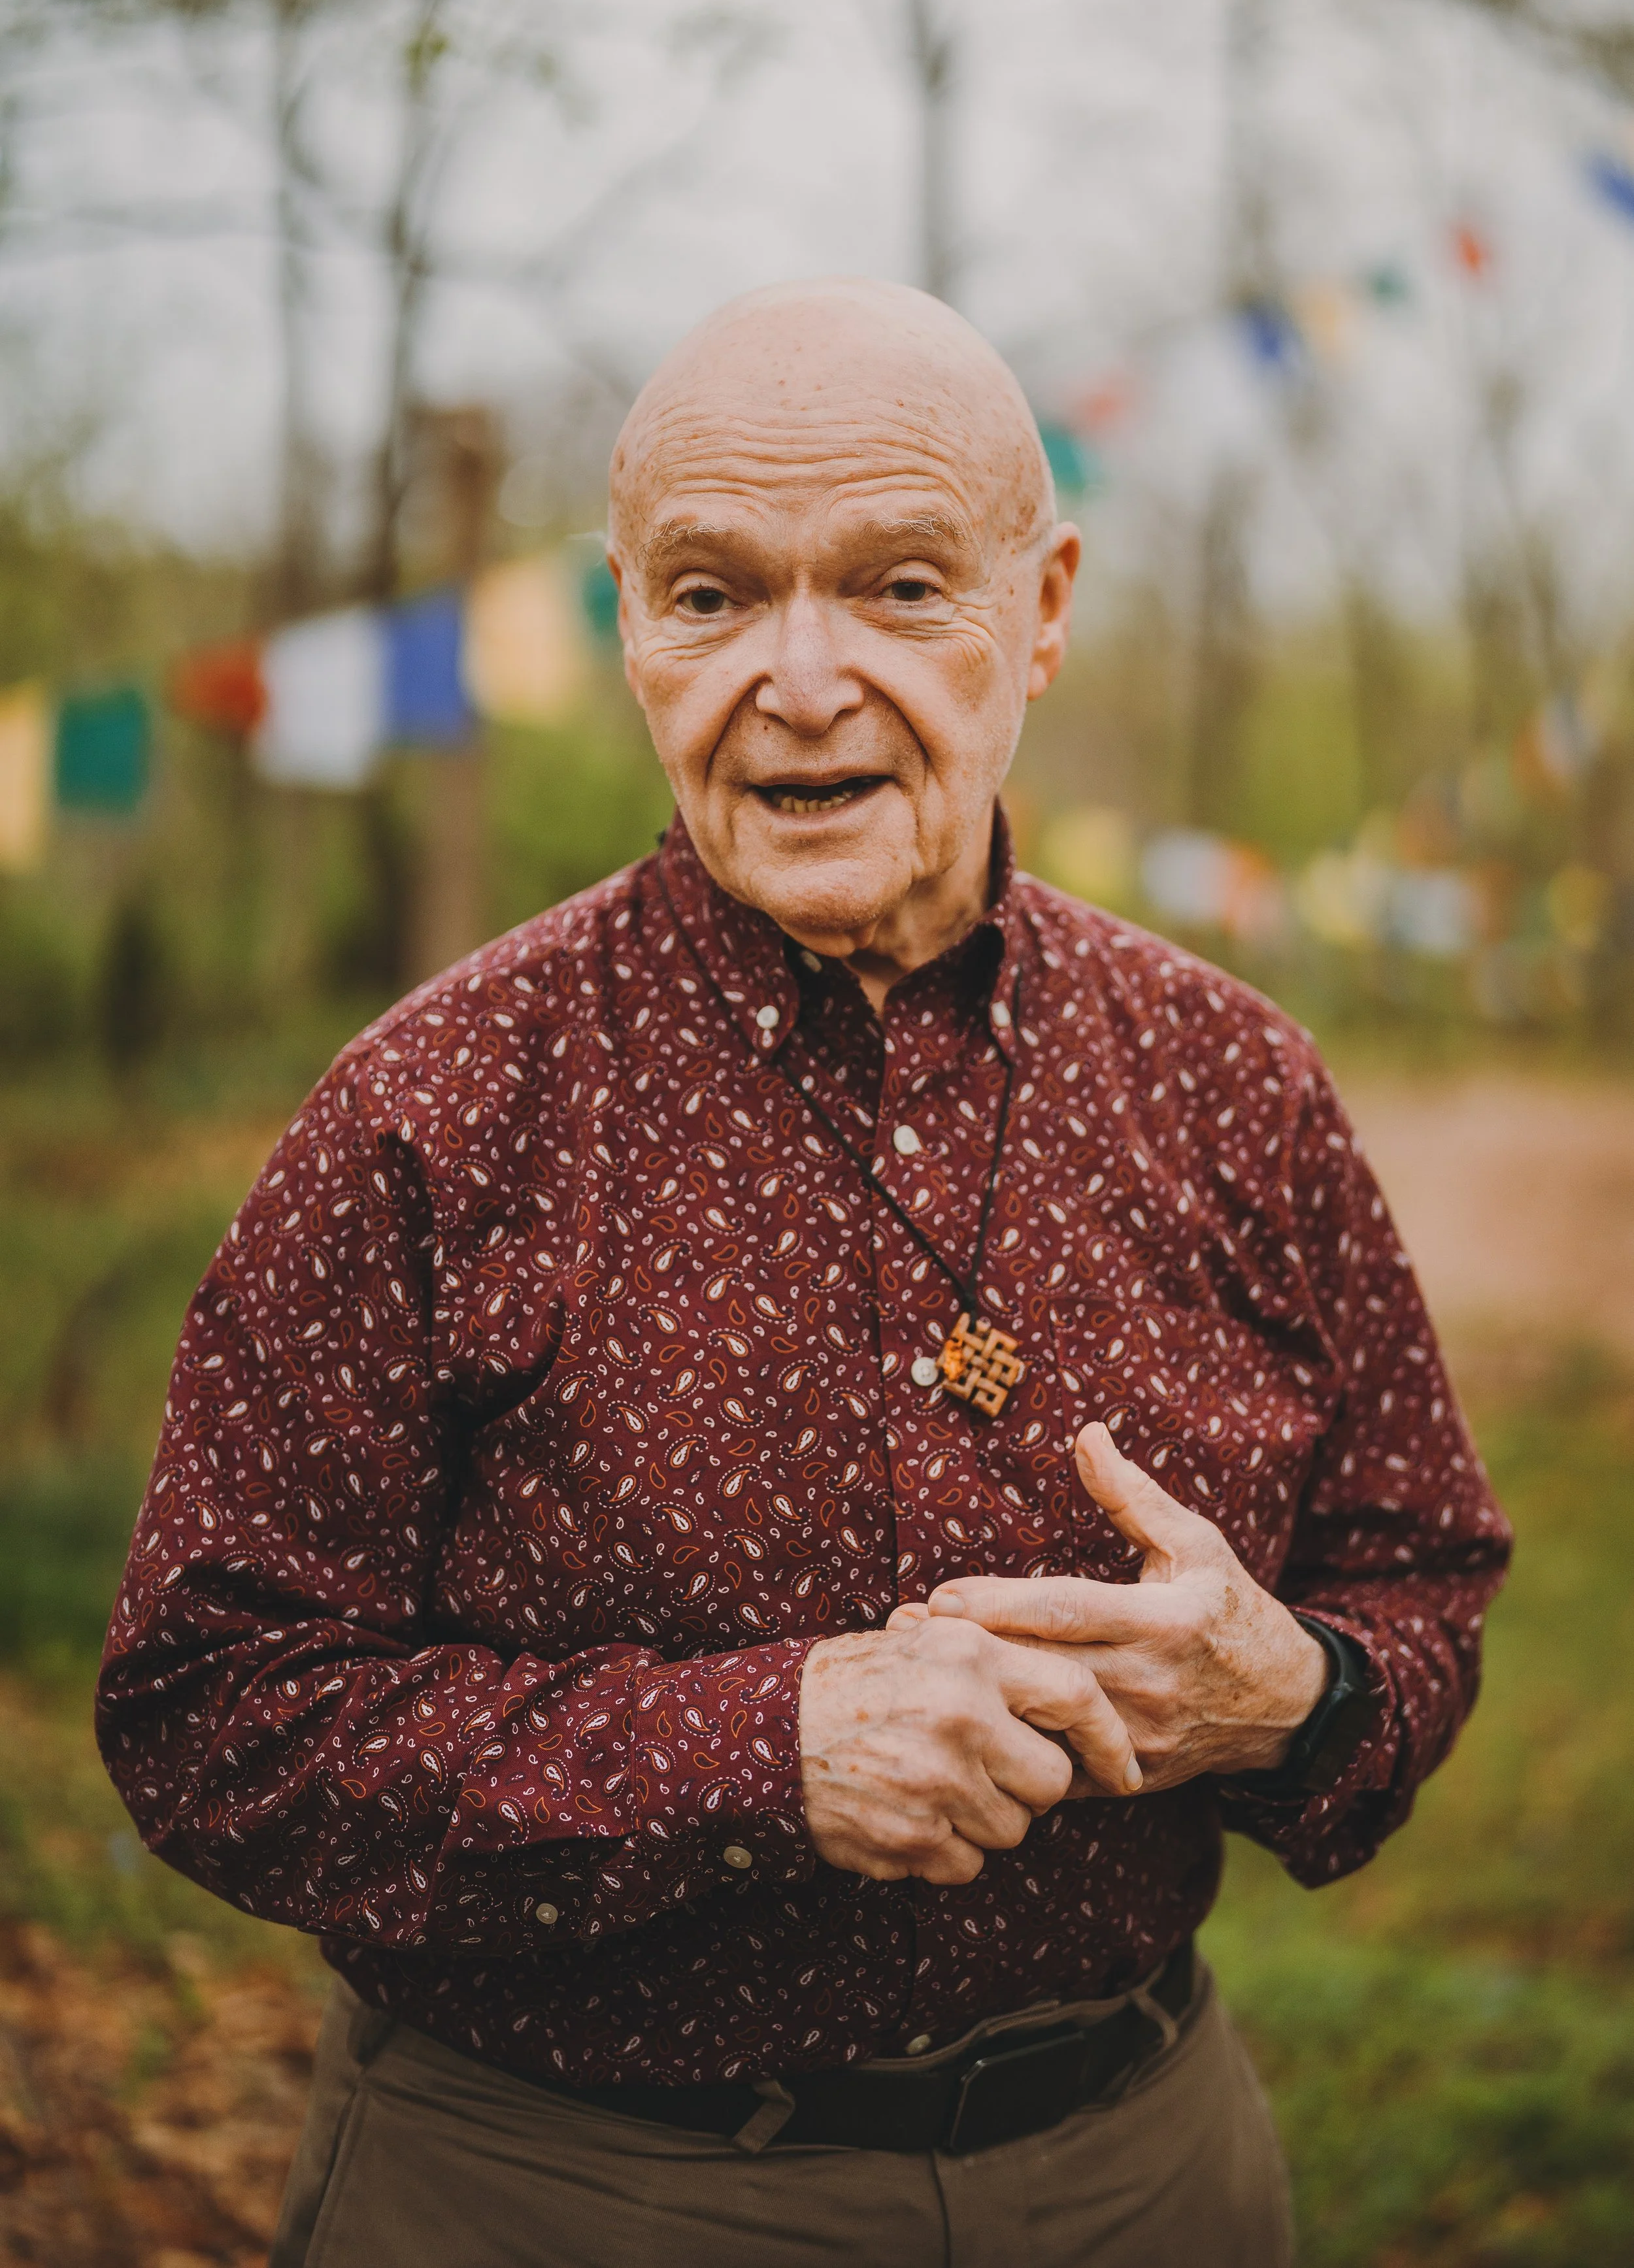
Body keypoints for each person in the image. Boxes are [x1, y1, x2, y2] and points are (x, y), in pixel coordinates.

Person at [97, 279, 1511, 2268]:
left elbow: (1423, 1570)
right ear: (621, 626)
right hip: (553, 2186)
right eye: (710, 593)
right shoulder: (431, 1112)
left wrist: (1297, 1693)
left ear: (1042, 608)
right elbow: (211, 1708)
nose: (801, 675)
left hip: (1142, 2165)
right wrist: (764, 1749)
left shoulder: (1233, 1081)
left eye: (898, 583)